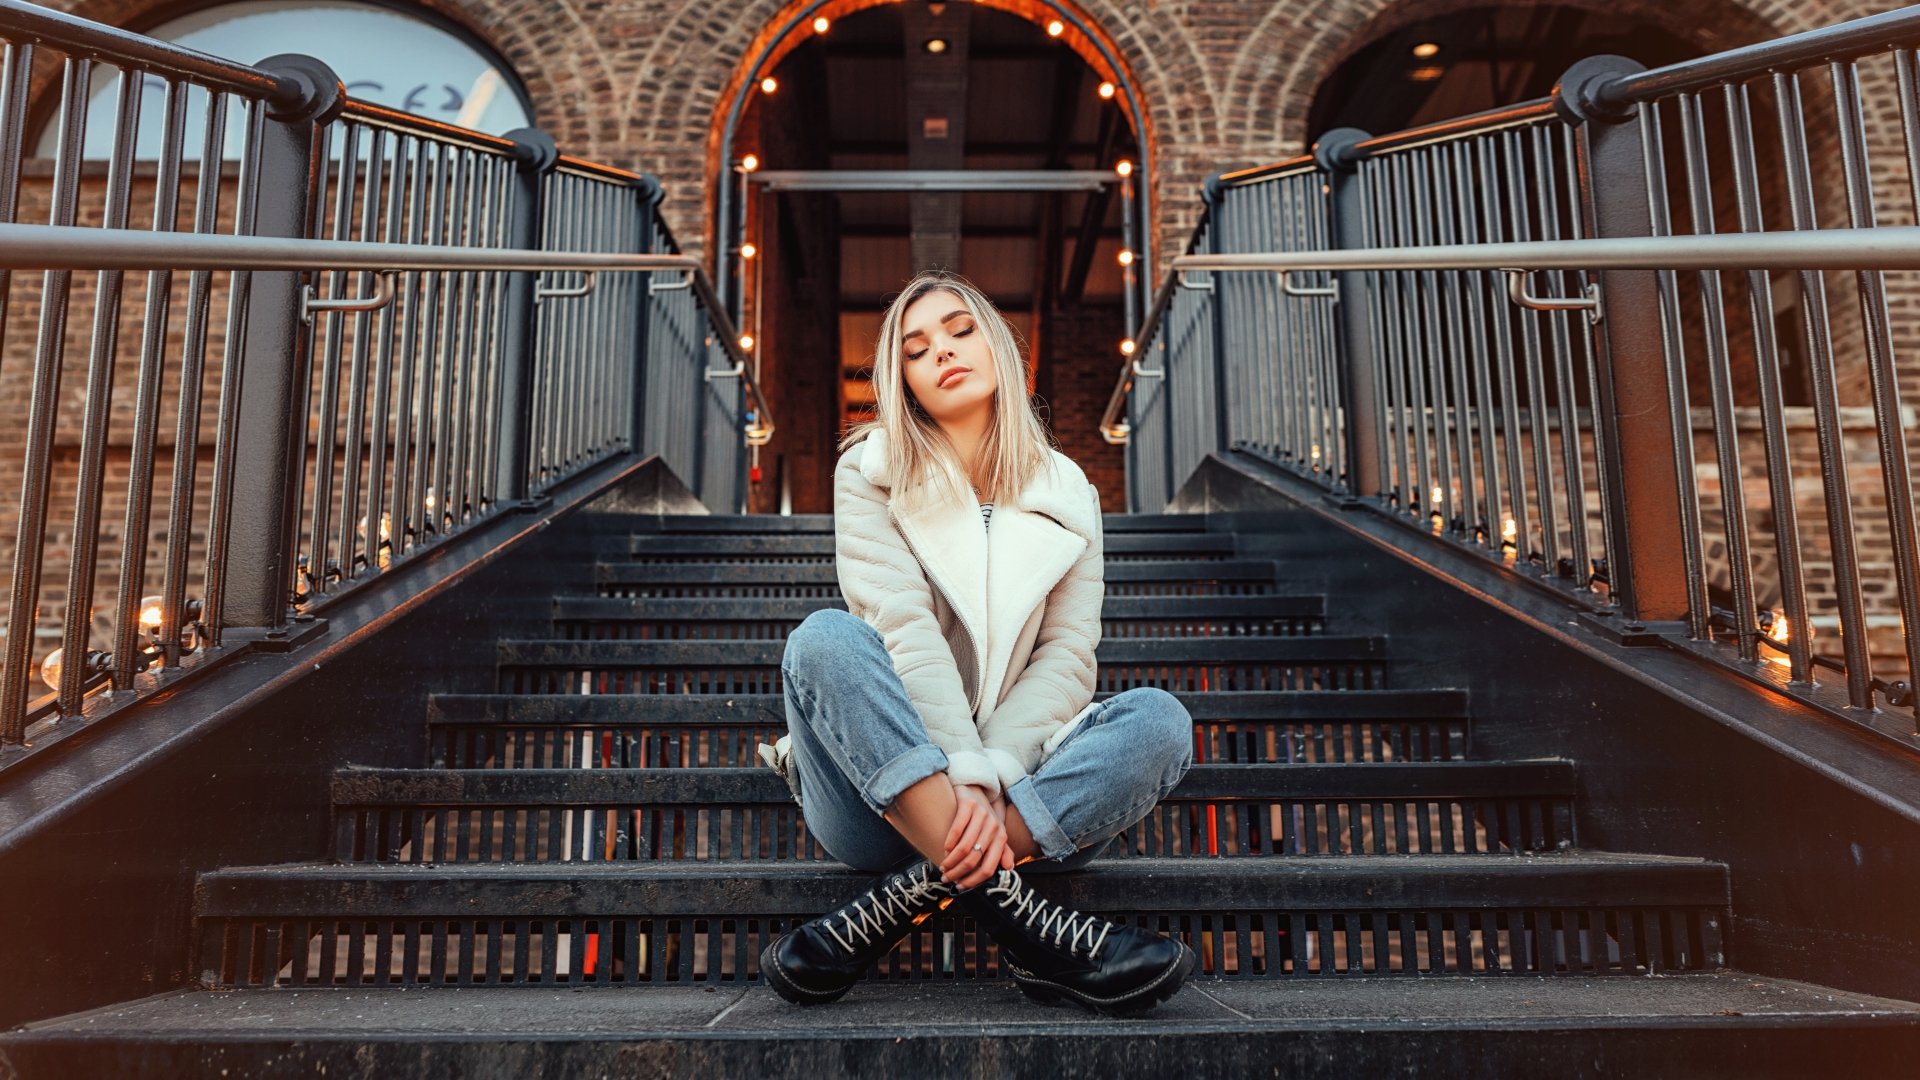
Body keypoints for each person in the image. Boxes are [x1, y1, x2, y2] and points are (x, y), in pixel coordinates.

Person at [755, 271, 1197, 1016]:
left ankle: (905, 898)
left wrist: (992, 772)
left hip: (1025, 796)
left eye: (960, 330)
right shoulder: (871, 471)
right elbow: (901, 623)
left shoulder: (1070, 493)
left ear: (998, 346)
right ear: (905, 383)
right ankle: (1041, 938)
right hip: (876, 796)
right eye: (916, 348)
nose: (943, 353)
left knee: (1160, 722)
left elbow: (1066, 656)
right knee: (825, 640)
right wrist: (959, 770)